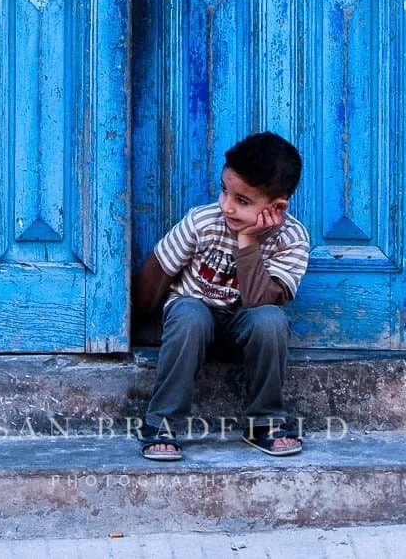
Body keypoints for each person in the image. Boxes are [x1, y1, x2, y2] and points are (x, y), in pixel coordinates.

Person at [131, 131, 310, 460]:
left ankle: (265, 422)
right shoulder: (202, 222)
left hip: (243, 330)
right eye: (224, 191)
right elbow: (153, 278)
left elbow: (260, 302)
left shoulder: (292, 240)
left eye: (242, 201)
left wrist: (249, 242)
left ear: (276, 207)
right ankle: (161, 423)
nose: (226, 206)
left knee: (271, 320)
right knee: (188, 312)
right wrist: (128, 333)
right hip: (189, 328)